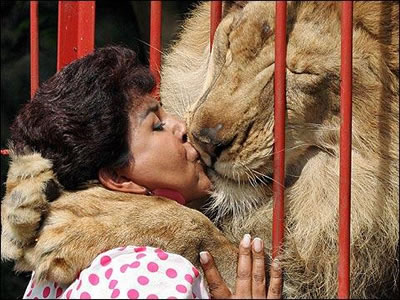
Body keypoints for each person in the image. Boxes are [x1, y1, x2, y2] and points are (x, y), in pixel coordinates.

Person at [2, 45, 282, 299]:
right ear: (118, 178)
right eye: (157, 126)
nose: (182, 127)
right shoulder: (148, 272)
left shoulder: (83, 260)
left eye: (164, 112)